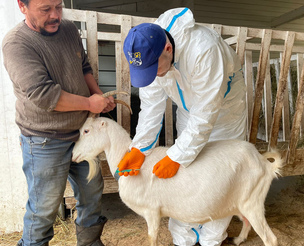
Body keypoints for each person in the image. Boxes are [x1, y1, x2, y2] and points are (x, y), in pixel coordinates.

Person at [118, 7, 247, 246]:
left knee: (222, 174)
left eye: (153, 69)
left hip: (225, 111)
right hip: (188, 109)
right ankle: (183, 238)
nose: (152, 76)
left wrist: (178, 155)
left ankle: (212, 238)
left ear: (168, 49)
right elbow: (151, 107)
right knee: (186, 175)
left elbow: (207, 112)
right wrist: (139, 148)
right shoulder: (149, 53)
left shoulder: (204, 50)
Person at [2, 0, 115, 245]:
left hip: (80, 132)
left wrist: (99, 97)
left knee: (92, 195)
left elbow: (83, 67)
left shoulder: (68, 29)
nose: (55, 15)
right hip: (44, 139)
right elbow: (44, 95)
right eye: (45, 9)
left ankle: (90, 243)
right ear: (22, 6)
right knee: (44, 208)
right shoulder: (17, 43)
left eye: (59, 6)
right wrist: (89, 104)